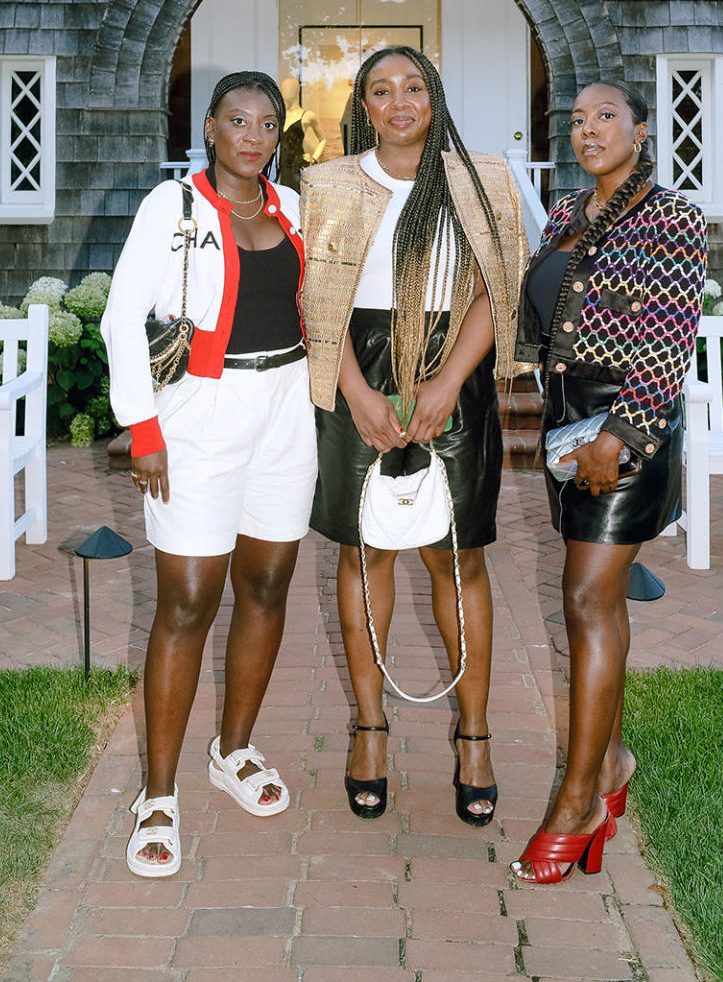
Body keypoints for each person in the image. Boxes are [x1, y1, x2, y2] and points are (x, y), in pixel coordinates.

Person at [300, 47, 528, 826]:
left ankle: (474, 735)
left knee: (456, 556)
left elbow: (502, 289)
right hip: (353, 368)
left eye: (414, 87)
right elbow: (312, 303)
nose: (400, 101)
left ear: (434, 96)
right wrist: (355, 392)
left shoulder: (483, 176)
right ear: (362, 104)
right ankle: (370, 728)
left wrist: (449, 382)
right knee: (365, 553)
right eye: (381, 90)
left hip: (452, 365)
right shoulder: (327, 185)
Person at [101, 71, 317, 878]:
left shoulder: (292, 206)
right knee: (189, 598)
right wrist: (144, 430)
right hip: (200, 418)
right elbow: (123, 316)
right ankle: (158, 792)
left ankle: (234, 749)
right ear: (211, 129)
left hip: (286, 409)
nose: (253, 136)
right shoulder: (173, 208)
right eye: (237, 120)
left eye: (267, 122)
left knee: (266, 585)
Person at [510, 81, 707, 883]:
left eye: (606, 118)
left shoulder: (672, 217)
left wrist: (621, 439)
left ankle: (579, 799)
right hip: (567, 427)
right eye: (578, 121)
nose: (588, 130)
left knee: (587, 598)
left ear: (642, 129)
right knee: (600, 601)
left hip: (626, 429)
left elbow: (668, 336)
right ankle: (613, 760)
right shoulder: (564, 214)